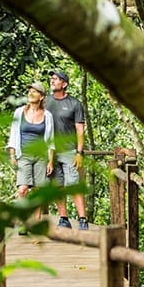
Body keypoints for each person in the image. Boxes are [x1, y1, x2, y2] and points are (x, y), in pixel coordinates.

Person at [45, 69, 88, 230]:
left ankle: (82, 218)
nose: (52, 81)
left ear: (64, 84)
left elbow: (80, 130)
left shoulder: (75, 104)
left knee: (73, 184)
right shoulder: (46, 102)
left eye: (56, 79)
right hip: (51, 152)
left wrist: (79, 152)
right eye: (52, 79)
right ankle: (64, 217)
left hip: (70, 151)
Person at [6, 81, 54, 220]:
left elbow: (50, 139)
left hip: (41, 156)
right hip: (24, 154)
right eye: (30, 91)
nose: (31, 93)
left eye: (34, 91)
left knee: (38, 191)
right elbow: (13, 134)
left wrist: (50, 161)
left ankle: (35, 222)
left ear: (41, 97)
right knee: (23, 189)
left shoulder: (47, 115)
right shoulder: (19, 112)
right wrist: (12, 155)